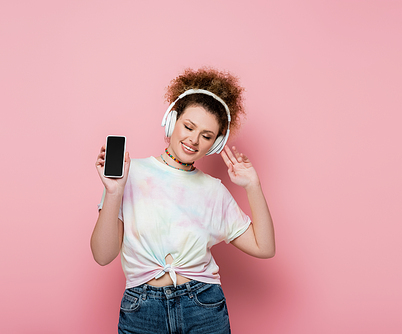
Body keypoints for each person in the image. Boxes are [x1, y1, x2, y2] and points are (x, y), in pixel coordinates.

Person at [91, 67, 275, 334]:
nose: (193, 140)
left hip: (203, 306)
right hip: (142, 310)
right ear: (171, 120)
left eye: (206, 135)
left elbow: (265, 247)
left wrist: (253, 186)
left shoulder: (214, 190)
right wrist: (113, 192)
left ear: (215, 143)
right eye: (189, 126)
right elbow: (102, 255)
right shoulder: (130, 174)